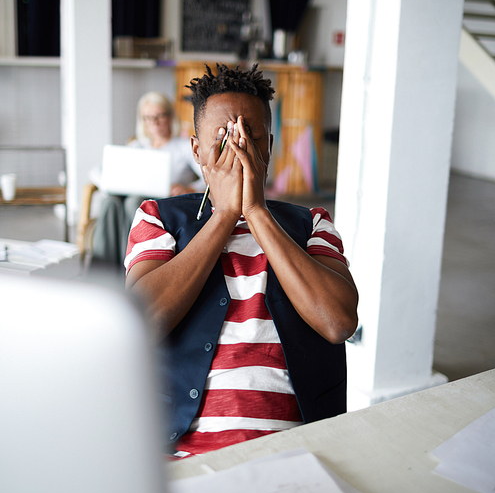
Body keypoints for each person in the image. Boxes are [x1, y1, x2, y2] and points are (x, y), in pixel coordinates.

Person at [125, 64, 358, 457]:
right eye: (223, 139)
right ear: (197, 150)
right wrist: (224, 216)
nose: (239, 149)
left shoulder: (312, 223)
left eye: (250, 138)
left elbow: (338, 322)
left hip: (296, 451)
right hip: (181, 453)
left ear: (268, 146)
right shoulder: (158, 218)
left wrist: (256, 212)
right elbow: (141, 324)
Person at [91, 92, 203, 266]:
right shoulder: (137, 146)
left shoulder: (183, 146)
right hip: (131, 196)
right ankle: (101, 269)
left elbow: (208, 176)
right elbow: (96, 171)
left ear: (170, 117)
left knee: (133, 202)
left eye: (160, 116)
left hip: (162, 204)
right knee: (109, 202)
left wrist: (189, 189)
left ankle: (130, 265)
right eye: (148, 118)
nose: (154, 122)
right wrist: (107, 184)